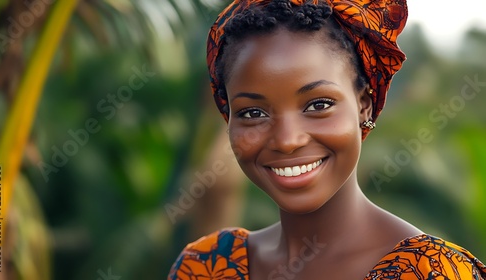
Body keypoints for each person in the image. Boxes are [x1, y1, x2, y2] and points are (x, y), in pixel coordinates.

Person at [168, 0, 486, 279]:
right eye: (253, 113)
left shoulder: (433, 271)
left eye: (318, 105)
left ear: (364, 104)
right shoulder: (205, 267)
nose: (287, 140)